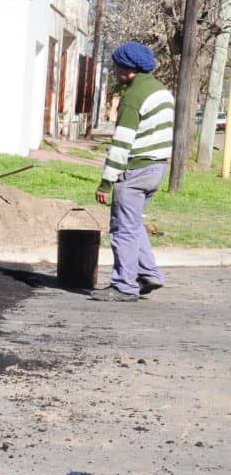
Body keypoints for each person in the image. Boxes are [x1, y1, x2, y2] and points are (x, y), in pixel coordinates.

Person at [90, 42, 172, 302]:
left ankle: (124, 285)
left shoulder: (134, 97)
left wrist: (106, 182)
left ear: (128, 68)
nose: (115, 71)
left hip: (135, 170)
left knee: (122, 228)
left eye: (116, 66)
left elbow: (122, 143)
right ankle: (149, 273)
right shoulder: (162, 92)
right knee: (133, 223)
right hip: (158, 167)